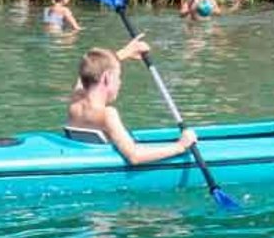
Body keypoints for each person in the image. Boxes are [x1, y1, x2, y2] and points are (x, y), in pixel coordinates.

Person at [66, 40, 198, 166]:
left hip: (88, 156)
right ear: (106, 77)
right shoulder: (107, 114)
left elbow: (86, 73)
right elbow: (134, 157)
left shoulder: (75, 104)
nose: (120, 83)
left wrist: (127, 52)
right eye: (118, 77)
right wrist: (180, 146)